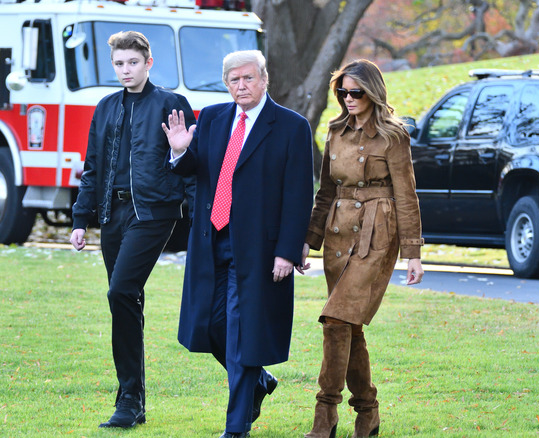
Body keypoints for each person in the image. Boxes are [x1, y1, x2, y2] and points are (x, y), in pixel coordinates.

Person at [163, 50, 314, 438]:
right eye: (234, 80)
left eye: (248, 78)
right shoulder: (212, 117)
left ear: (265, 79)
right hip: (211, 242)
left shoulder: (291, 126)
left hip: (259, 250)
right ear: (226, 83)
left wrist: (287, 249)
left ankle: (236, 427)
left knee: (243, 333)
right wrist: (180, 149)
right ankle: (259, 381)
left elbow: (299, 194)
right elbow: (195, 169)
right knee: (211, 328)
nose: (241, 86)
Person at [69, 30, 195, 429]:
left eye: (133, 63)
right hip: (112, 214)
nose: (126, 70)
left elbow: (192, 164)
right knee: (125, 302)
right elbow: (92, 167)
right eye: (119, 64)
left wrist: (199, 215)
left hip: (153, 213)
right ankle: (132, 402)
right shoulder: (105, 107)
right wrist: (80, 219)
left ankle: (128, 398)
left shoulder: (171, 104)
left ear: (148, 63)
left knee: (121, 290)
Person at [296, 59, 424, 438]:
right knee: (349, 328)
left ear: (373, 93)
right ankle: (367, 412)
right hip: (338, 233)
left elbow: (407, 196)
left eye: (356, 92)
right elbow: (325, 192)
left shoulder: (393, 136)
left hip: (377, 235)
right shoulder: (335, 131)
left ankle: (325, 415)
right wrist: (308, 240)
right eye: (343, 92)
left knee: (336, 321)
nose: (348, 99)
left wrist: (412, 253)